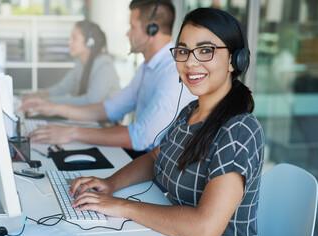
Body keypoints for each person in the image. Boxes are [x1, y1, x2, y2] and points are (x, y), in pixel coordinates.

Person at [68, 7, 265, 236]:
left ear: (234, 60)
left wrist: (122, 206)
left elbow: (204, 229)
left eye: (205, 51)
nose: (190, 63)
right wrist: (110, 184)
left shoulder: (239, 130)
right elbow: (155, 158)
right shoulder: (191, 111)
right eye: (183, 51)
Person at [20, 0, 195, 156]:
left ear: (152, 28)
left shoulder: (172, 72)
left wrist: (72, 132)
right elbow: (111, 109)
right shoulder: (146, 68)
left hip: (157, 169)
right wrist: (56, 109)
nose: (128, 33)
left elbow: (141, 137)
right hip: (141, 158)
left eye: (132, 27)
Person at [23, 20, 120, 105]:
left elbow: (90, 101)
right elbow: (62, 87)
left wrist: (48, 102)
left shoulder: (104, 66)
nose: (69, 42)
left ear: (89, 42)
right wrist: (37, 96)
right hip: (90, 119)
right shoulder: (81, 64)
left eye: (74, 38)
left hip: (106, 123)